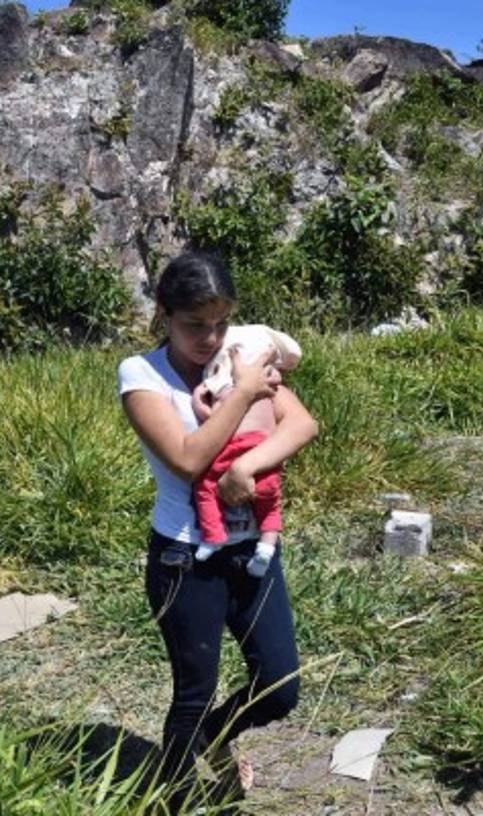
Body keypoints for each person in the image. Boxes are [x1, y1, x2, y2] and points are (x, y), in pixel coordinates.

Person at [117, 249, 318, 809]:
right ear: (164, 315)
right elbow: (186, 458)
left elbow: (302, 423)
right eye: (194, 325)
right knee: (193, 692)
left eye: (221, 323)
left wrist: (248, 466)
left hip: (252, 549)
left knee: (280, 685)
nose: (209, 338)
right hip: (185, 557)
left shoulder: (238, 358)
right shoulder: (141, 374)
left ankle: (216, 735)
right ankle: (175, 798)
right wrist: (247, 393)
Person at [192, 324, 303, 575]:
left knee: (206, 487)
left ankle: (213, 535)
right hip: (266, 454)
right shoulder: (270, 389)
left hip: (234, 450)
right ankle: (266, 547)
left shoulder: (227, 392)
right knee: (270, 505)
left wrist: (198, 401)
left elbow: (213, 419)